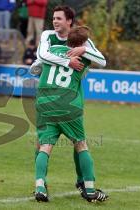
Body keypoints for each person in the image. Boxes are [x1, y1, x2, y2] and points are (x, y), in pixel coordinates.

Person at [32, 6, 108, 203]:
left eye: (59, 18)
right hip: (68, 103)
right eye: (54, 18)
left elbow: (38, 63)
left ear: (69, 22)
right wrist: (77, 56)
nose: (54, 21)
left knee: (44, 144)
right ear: (83, 41)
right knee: (80, 144)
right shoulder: (52, 37)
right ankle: (88, 188)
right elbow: (101, 60)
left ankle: (40, 185)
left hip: (45, 101)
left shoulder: (55, 48)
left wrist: (44, 66)